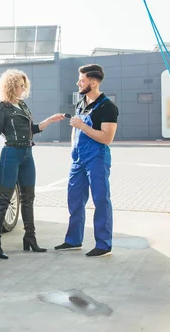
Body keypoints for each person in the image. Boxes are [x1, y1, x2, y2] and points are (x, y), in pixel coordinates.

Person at [0, 69, 65, 259]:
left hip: (27, 154)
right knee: (4, 198)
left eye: (25, 85)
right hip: (11, 154)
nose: (23, 88)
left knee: (28, 198)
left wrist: (50, 120)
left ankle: (30, 238)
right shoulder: (1, 108)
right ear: (11, 86)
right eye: (20, 85)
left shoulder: (23, 105)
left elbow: (32, 130)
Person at [55, 64, 119, 257]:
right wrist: (73, 149)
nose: (78, 83)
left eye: (81, 80)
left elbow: (107, 138)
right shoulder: (81, 102)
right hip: (78, 159)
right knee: (74, 199)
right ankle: (73, 240)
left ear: (93, 81)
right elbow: (76, 128)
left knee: (101, 200)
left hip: (97, 159)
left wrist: (82, 126)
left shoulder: (107, 107)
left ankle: (103, 244)